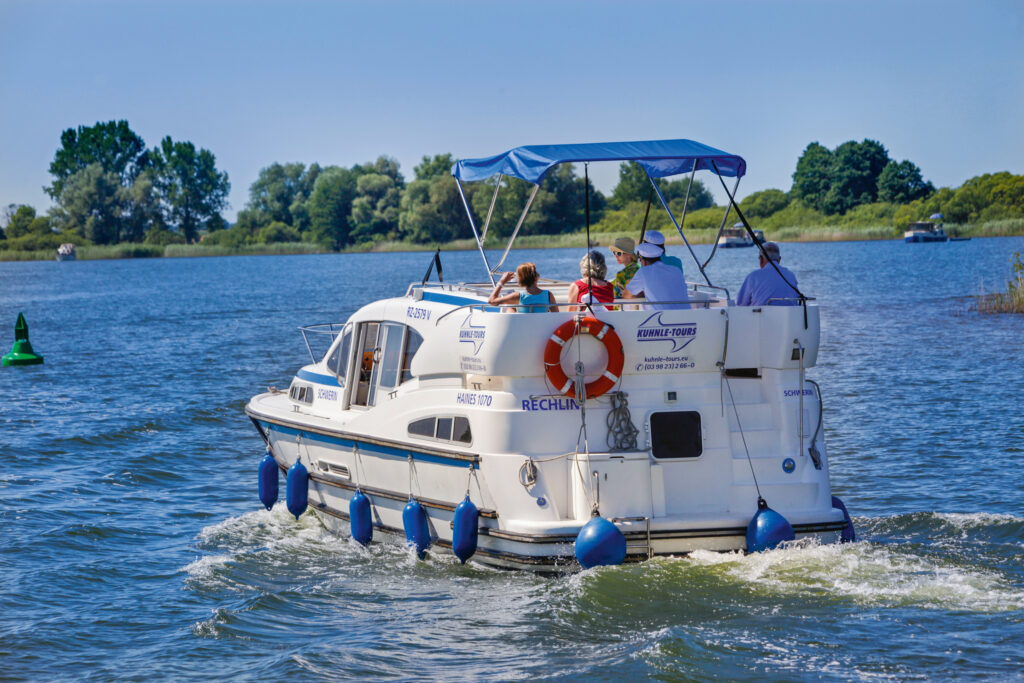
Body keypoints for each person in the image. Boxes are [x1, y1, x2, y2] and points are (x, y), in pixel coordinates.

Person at [621, 242, 689, 310]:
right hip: (688, 317)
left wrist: (637, 296)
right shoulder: (676, 270)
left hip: (664, 318)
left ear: (644, 261)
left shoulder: (644, 272)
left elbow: (625, 295)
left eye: (640, 260)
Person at [488, 262, 557, 313]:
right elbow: (556, 315)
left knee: (510, 308)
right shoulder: (548, 295)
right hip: (542, 327)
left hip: (523, 328)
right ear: (536, 277)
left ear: (520, 279)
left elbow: (491, 301)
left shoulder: (518, 296)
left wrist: (501, 282)